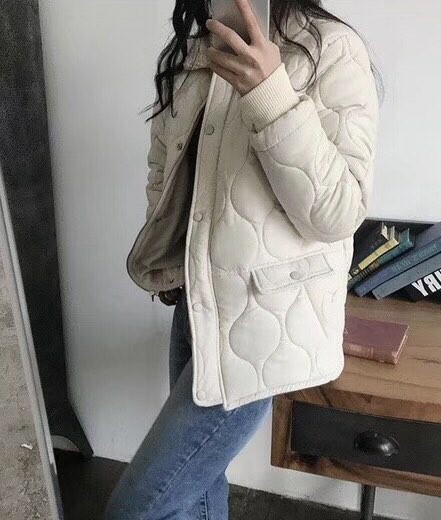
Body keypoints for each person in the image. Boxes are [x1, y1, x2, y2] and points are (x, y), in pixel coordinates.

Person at [107, 0, 379, 518]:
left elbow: (338, 213)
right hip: (195, 303)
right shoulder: (193, 50)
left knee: (136, 508)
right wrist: (169, 256)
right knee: (199, 487)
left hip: (262, 322)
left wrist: (271, 95)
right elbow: (164, 165)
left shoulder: (331, 49)